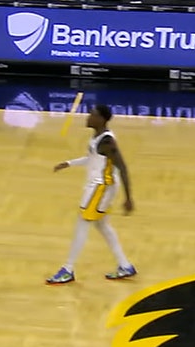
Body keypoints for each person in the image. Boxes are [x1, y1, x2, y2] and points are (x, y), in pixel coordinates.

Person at [46, 104, 137, 285]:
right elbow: (92, 159)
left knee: (82, 222)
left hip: (101, 188)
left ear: (102, 119)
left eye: (92, 115)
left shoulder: (107, 142)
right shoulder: (98, 139)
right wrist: (69, 163)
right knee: (102, 226)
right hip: (99, 187)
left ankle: (68, 269)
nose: (88, 117)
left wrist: (128, 198)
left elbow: (123, 167)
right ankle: (125, 265)